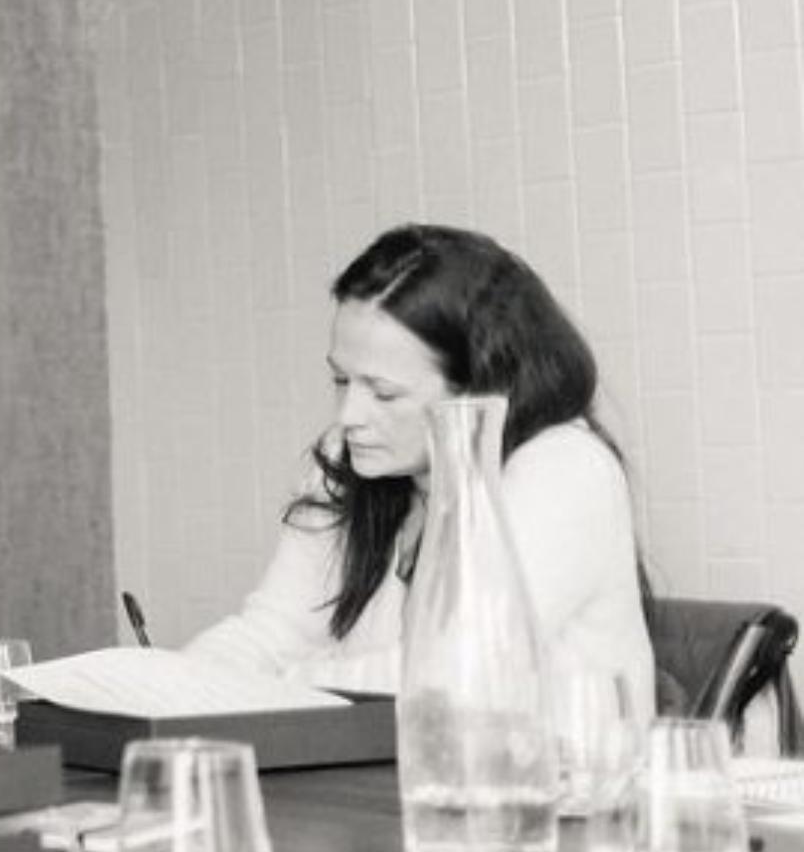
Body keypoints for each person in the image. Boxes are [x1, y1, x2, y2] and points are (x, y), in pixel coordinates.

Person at [185, 223, 654, 699]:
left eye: (384, 393)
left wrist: (270, 686)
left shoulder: (566, 470)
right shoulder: (349, 456)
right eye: (341, 381)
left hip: (550, 750)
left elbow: (454, 671)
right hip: (382, 747)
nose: (349, 416)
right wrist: (175, 683)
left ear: (478, 388)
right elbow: (273, 633)